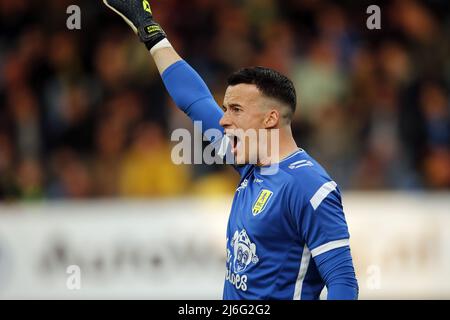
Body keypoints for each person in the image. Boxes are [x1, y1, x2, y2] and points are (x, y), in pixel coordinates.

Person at [103, 0, 358, 300]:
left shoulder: (310, 186)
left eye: (235, 109)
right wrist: (151, 31)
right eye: (225, 109)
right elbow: (195, 101)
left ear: (270, 118)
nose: (223, 120)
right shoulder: (251, 163)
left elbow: (343, 283)